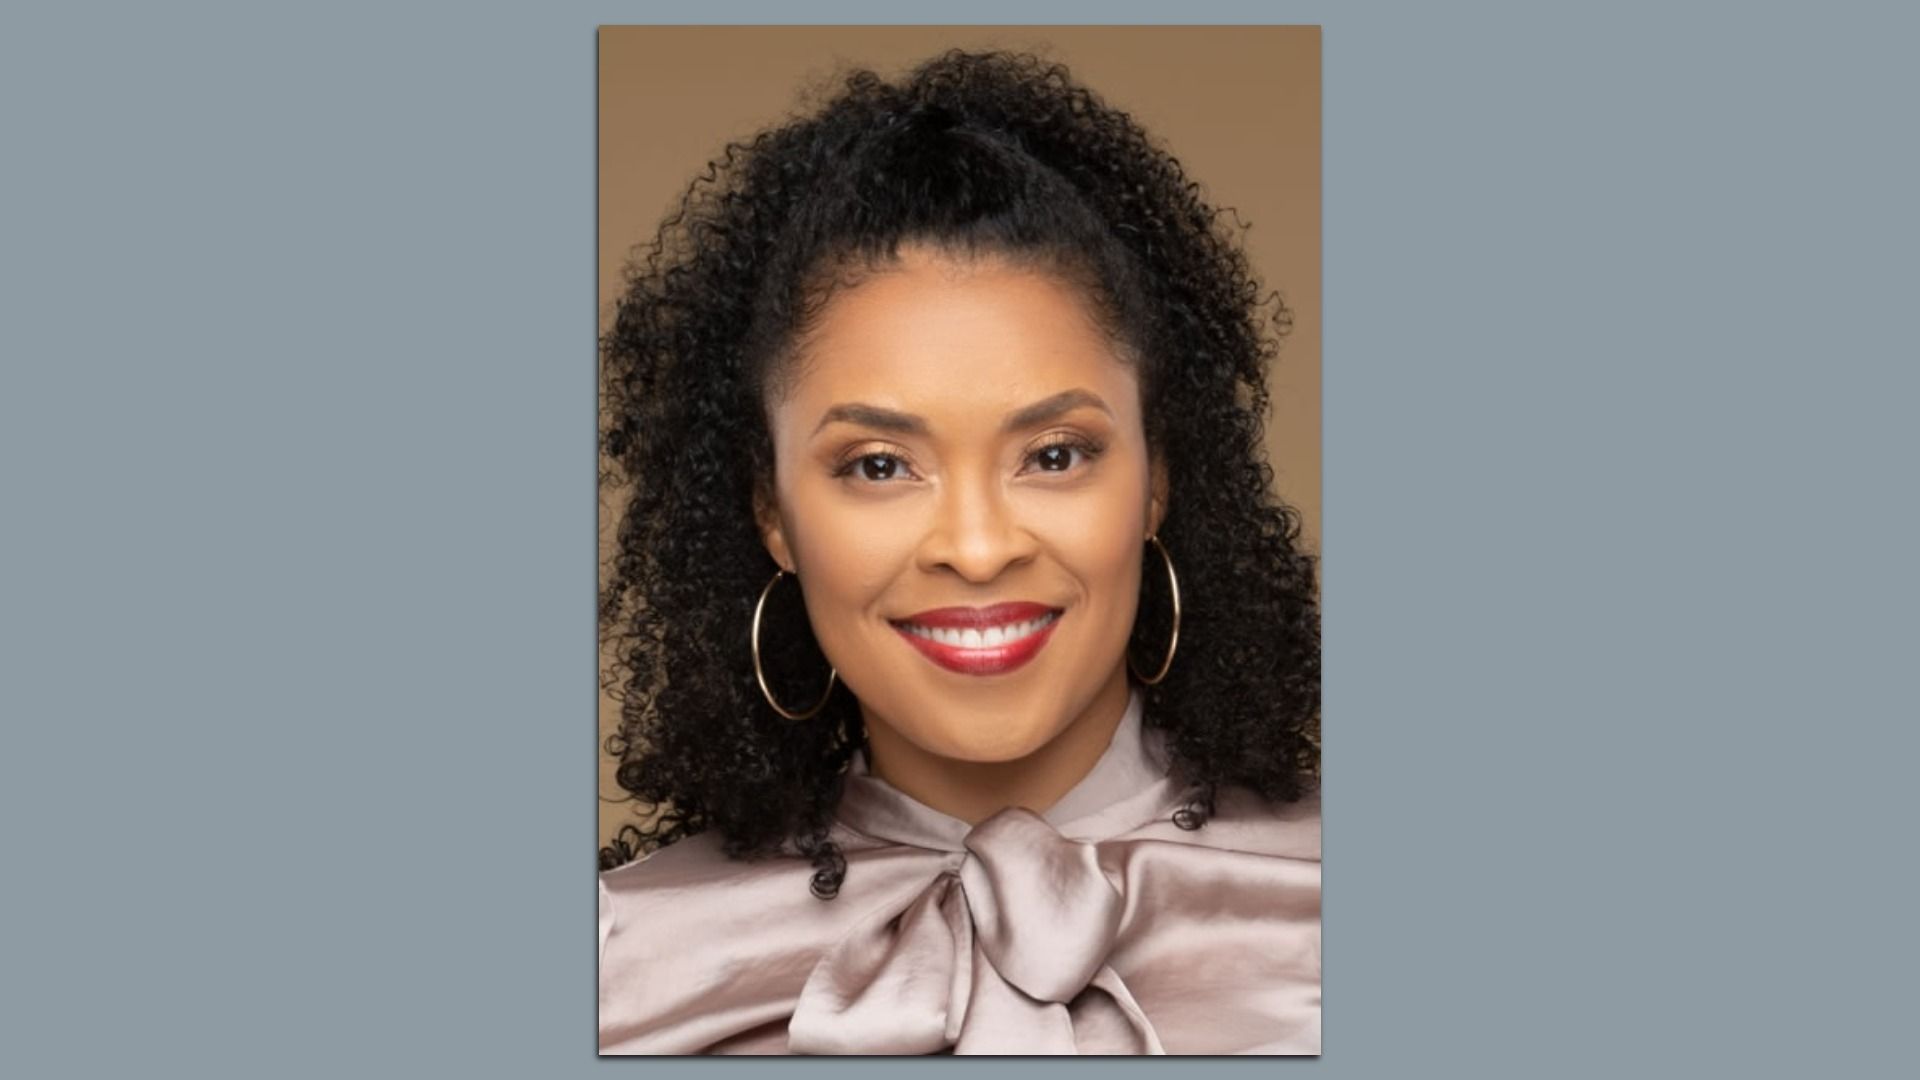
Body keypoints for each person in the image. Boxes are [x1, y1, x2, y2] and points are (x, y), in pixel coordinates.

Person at [597, 49, 1321, 1055]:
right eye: (880, 465)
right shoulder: (619, 964)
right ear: (773, 515)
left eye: (1055, 454)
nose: (976, 550)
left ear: (1155, 481)